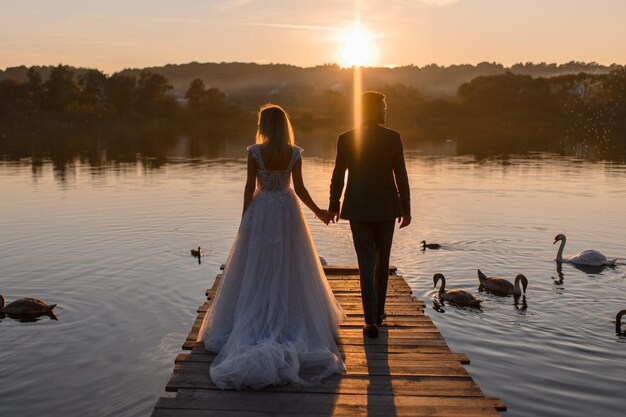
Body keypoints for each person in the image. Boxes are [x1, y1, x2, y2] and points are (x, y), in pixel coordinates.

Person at [198, 104, 346, 390]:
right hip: (288, 212)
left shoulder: (254, 152)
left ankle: (258, 314)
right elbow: (300, 189)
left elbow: (248, 187)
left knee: (257, 264)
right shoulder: (294, 153)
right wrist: (319, 213)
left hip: (262, 209)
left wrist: (244, 220)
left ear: (265, 125)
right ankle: (290, 315)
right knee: (292, 263)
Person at [329, 91, 411, 339]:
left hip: (358, 208)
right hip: (386, 208)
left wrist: (334, 204)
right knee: (381, 263)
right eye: (383, 106)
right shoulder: (393, 138)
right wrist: (406, 209)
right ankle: (377, 314)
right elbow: (401, 176)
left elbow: (338, 175)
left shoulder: (346, 138)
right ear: (374, 109)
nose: (386, 110)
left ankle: (369, 320)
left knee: (366, 264)